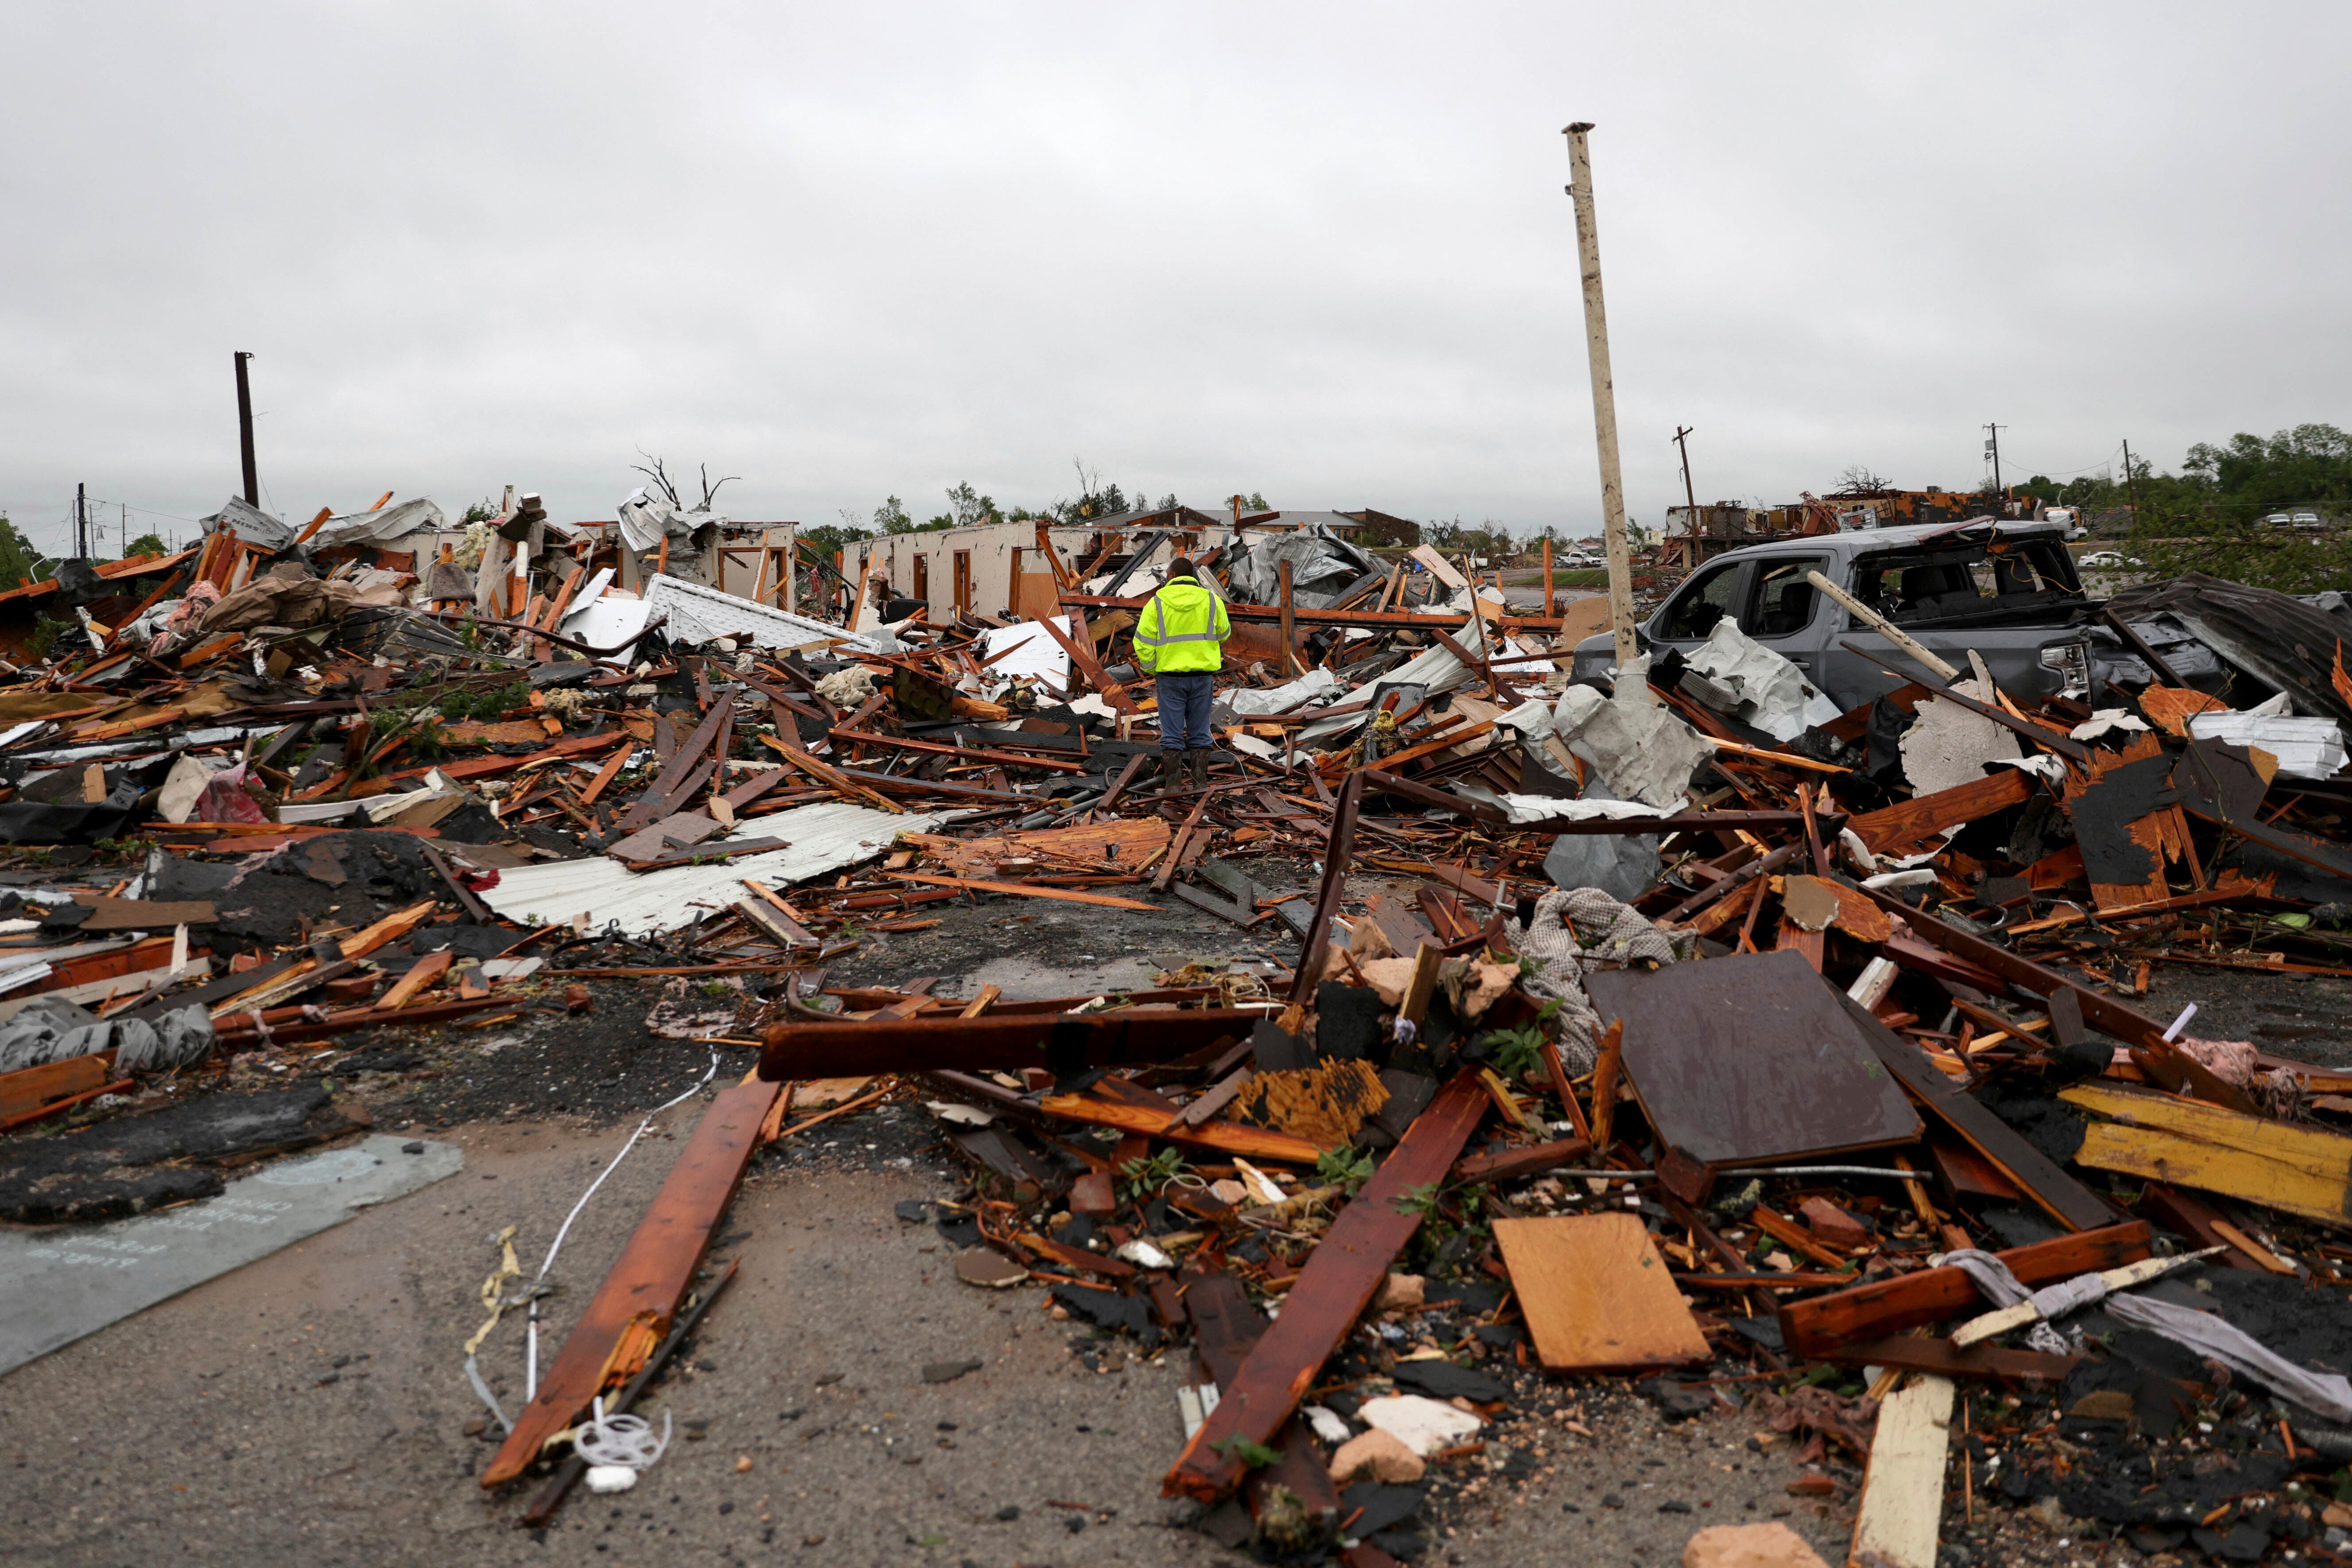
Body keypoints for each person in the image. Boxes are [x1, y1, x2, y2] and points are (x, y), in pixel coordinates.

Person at [1131, 556, 1230, 789]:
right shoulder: (1212, 600)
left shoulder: (1156, 603)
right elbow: (1224, 633)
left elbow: (1142, 643)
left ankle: (1173, 787)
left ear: (1172, 576)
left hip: (1170, 678)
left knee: (1172, 735)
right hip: (1202, 677)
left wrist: (1152, 668)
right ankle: (1199, 785)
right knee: (1200, 732)